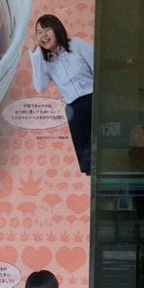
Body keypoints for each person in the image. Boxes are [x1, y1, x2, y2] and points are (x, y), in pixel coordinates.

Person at [29, 14, 94, 174]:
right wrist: (35, 56)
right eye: (39, 32)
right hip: (74, 110)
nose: (43, 35)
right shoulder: (45, 62)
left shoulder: (76, 45)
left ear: (56, 28)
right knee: (89, 161)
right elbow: (40, 87)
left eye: (47, 30)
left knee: (104, 148)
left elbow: (97, 67)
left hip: (93, 100)